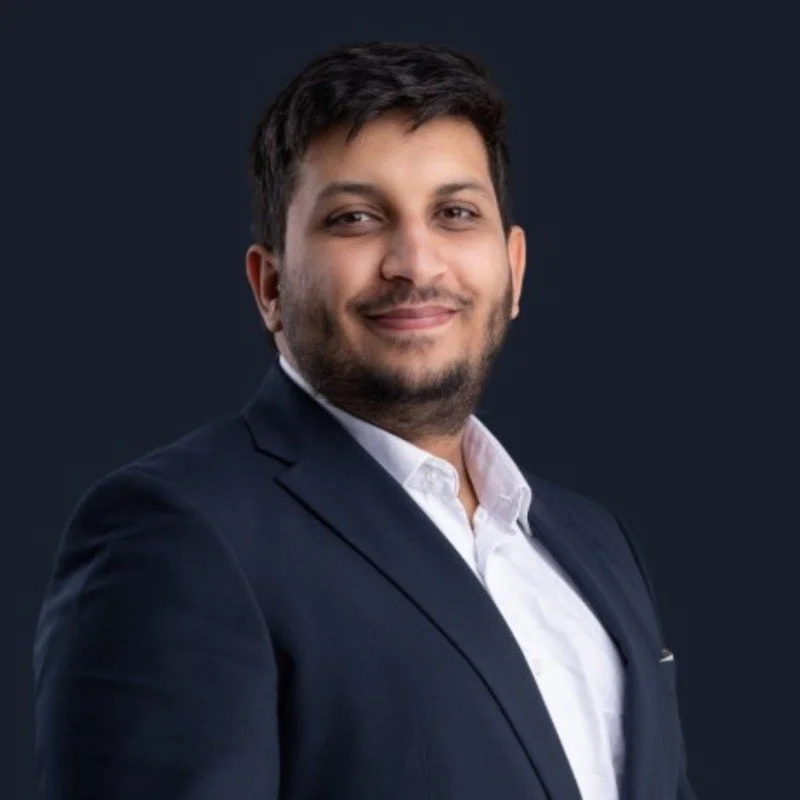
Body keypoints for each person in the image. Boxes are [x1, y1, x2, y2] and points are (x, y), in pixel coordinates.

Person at [33, 41, 695, 800]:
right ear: (270, 285)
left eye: (455, 213)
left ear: (513, 269)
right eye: (354, 218)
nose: (416, 262)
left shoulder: (597, 543)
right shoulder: (175, 531)